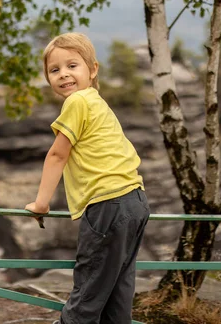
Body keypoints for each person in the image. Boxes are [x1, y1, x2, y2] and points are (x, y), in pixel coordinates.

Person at [24, 32, 150, 324]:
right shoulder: (97, 102)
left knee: (87, 297)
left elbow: (57, 155)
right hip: (135, 201)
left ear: (93, 70)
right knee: (117, 298)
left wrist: (41, 203)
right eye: (54, 70)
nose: (63, 74)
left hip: (108, 206)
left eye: (72, 66)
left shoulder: (78, 101)